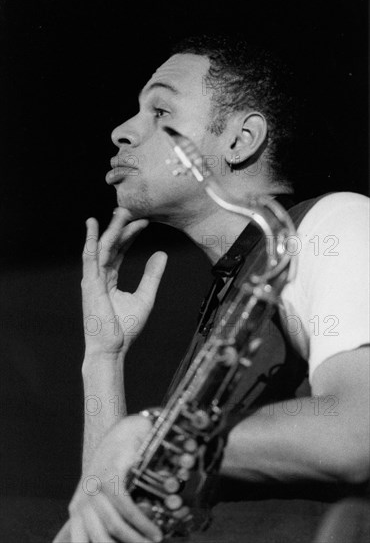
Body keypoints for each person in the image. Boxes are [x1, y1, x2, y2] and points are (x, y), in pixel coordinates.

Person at [54, 35, 369, 542]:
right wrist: (104, 356)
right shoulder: (230, 294)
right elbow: (107, 521)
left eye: (160, 110)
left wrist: (154, 434)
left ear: (240, 140)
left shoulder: (336, 222)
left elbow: (361, 430)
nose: (121, 132)